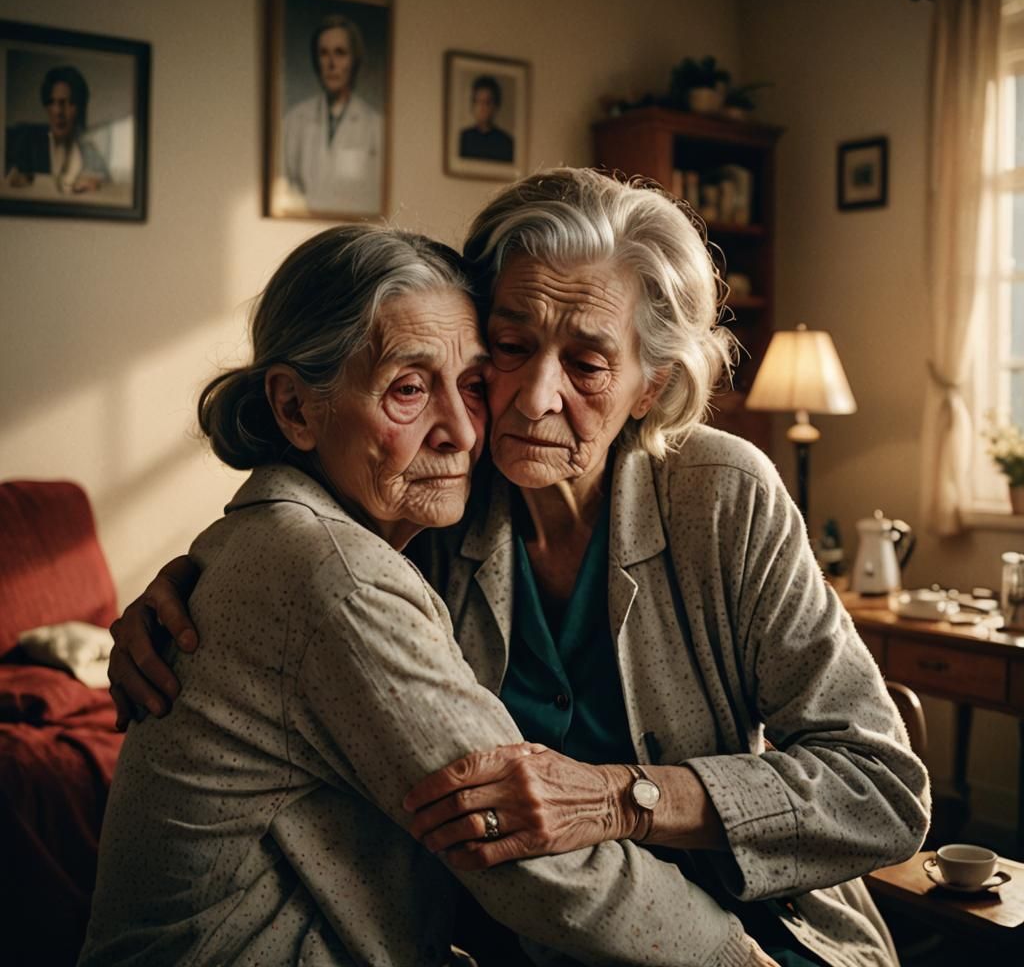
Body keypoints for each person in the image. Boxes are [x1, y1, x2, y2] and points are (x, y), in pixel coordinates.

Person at [109, 170, 930, 967]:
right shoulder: (433, 503)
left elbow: (884, 791)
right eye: (509, 346)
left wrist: (628, 797)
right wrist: (196, 587)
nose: (533, 397)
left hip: (774, 930)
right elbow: (311, 558)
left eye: (586, 364)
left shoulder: (722, 496)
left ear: (651, 387)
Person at [282, 14, 383, 214]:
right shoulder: (294, 120)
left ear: (354, 60)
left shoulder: (375, 125)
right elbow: (287, 186)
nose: (331, 64)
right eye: (323, 53)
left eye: (340, 53)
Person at [5, 65, 110, 193]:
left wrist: (98, 185)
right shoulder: (26, 140)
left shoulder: (89, 150)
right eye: (52, 102)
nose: (58, 111)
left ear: (80, 108)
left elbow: (106, 184)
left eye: (68, 103)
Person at [458, 75, 514, 163]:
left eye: (487, 102)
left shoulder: (506, 143)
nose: (483, 107)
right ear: (473, 105)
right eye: (479, 101)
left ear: (496, 106)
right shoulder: (463, 138)